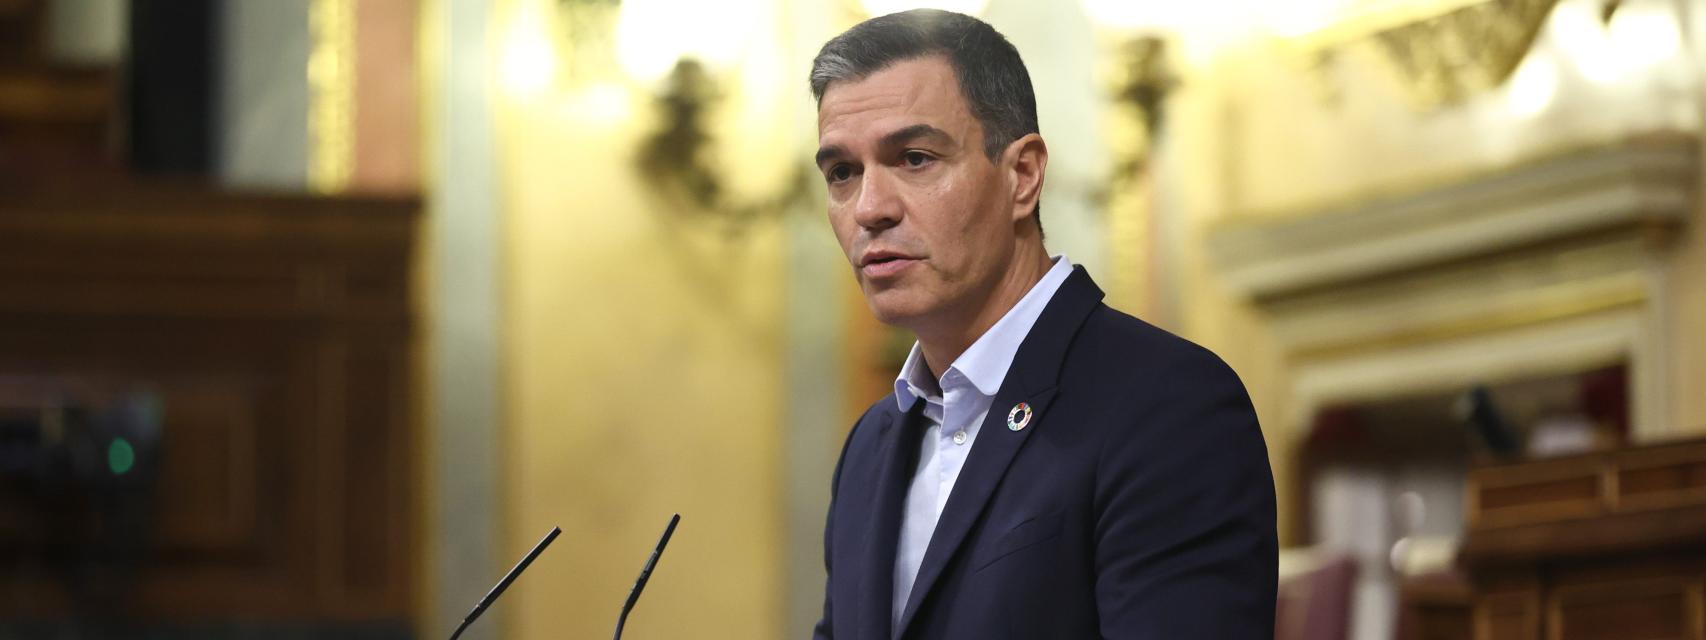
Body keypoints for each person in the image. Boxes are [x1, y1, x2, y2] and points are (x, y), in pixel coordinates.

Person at [809, 9, 1276, 639]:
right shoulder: (871, 442)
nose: (869, 208)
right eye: (842, 172)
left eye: (915, 158)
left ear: (1022, 176)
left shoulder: (1169, 404)